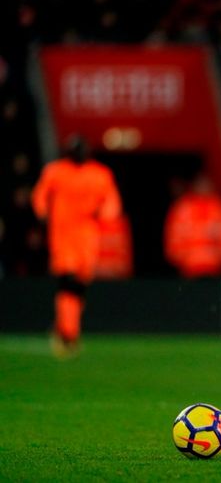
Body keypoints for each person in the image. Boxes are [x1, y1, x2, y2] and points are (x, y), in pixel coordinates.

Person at [31, 135, 123, 358]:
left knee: (79, 286)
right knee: (68, 282)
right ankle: (68, 333)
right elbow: (40, 195)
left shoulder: (100, 174)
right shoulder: (56, 171)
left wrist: (101, 215)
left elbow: (112, 204)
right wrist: (43, 214)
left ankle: (66, 327)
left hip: (87, 236)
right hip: (63, 234)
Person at [163, 172, 221, 278]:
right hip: (188, 269)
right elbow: (174, 238)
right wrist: (183, 258)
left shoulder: (220, 208)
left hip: (216, 269)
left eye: (206, 183)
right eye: (200, 183)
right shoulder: (182, 208)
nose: (203, 186)